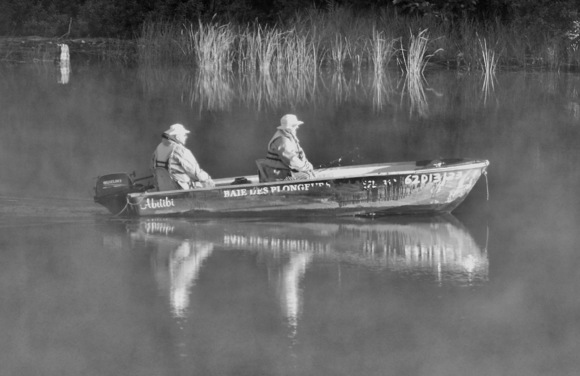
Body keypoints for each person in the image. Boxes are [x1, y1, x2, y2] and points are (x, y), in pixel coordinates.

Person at [152, 123, 215, 191]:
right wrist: (209, 181)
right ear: (177, 137)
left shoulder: (158, 148)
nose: (186, 137)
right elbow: (195, 173)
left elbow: (153, 169)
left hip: (163, 189)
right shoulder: (181, 150)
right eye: (184, 135)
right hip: (180, 189)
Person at [256, 114, 315, 182]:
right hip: (276, 173)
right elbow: (291, 160)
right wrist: (305, 168)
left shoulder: (289, 135)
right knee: (307, 177)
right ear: (289, 128)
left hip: (283, 171)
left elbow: (300, 153)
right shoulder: (282, 140)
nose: (297, 127)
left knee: (309, 173)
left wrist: (307, 165)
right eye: (295, 126)